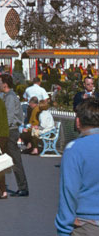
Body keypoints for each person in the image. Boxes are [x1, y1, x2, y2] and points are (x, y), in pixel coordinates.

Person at [55, 97, 99, 235]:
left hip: (87, 222)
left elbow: (69, 192)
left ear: (78, 121)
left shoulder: (75, 149)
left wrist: (63, 229)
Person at [1, 74, 29, 196]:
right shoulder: (6, 96)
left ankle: (23, 187)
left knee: (15, 159)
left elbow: (9, 115)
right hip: (9, 129)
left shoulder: (10, 97)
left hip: (10, 131)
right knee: (0, 158)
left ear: (5, 84)